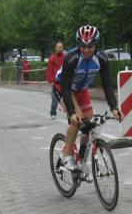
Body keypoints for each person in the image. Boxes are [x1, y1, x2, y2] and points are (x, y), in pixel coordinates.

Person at [59, 25, 122, 170]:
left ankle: (81, 159)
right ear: (79, 45)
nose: (86, 50)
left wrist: (114, 107)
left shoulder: (102, 58)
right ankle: (66, 154)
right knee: (78, 120)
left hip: (82, 90)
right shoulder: (71, 58)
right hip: (66, 90)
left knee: (89, 125)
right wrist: (72, 112)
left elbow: (107, 84)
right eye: (83, 46)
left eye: (90, 46)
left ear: (96, 45)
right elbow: (65, 88)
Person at [46, 41, 65, 118]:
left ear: (62, 48)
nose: (59, 49)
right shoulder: (52, 58)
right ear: (55, 48)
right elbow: (49, 70)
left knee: (68, 98)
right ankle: (53, 113)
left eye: (60, 47)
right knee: (55, 99)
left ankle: (70, 113)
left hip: (65, 81)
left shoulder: (66, 57)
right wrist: (50, 80)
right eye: (58, 47)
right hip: (55, 82)